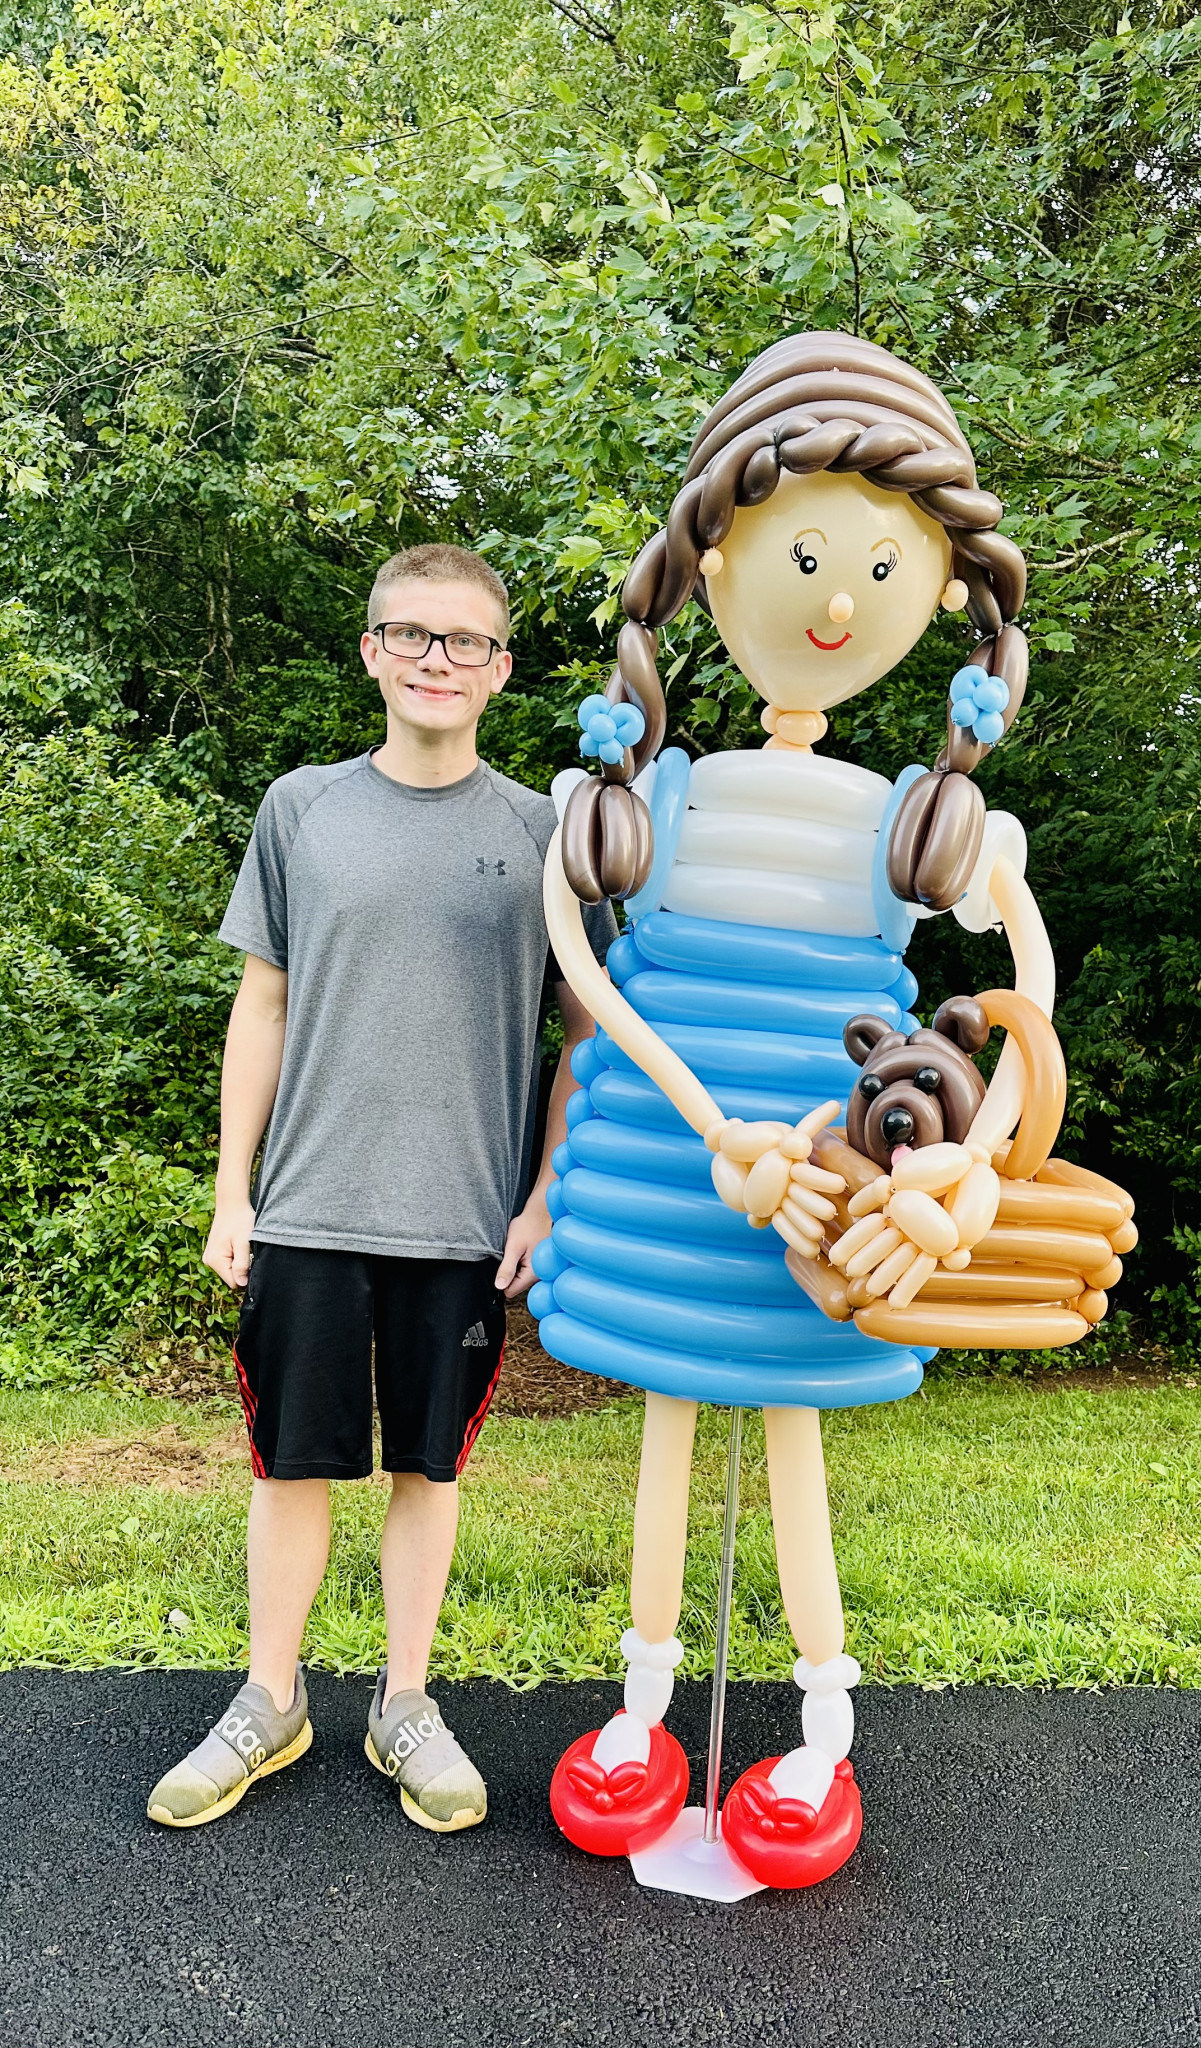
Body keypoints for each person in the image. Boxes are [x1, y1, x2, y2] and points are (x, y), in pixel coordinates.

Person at [147, 542, 615, 1833]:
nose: (435, 660)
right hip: (307, 1203)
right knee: (288, 1464)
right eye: (410, 634)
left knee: (428, 1468)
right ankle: (270, 1698)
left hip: (462, 1216)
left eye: (464, 641)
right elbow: (262, 1005)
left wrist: (543, 1199)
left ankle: (405, 1704)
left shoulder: (546, 836)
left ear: (501, 668)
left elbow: (585, 1037)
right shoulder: (301, 809)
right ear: (371, 652)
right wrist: (231, 1189)